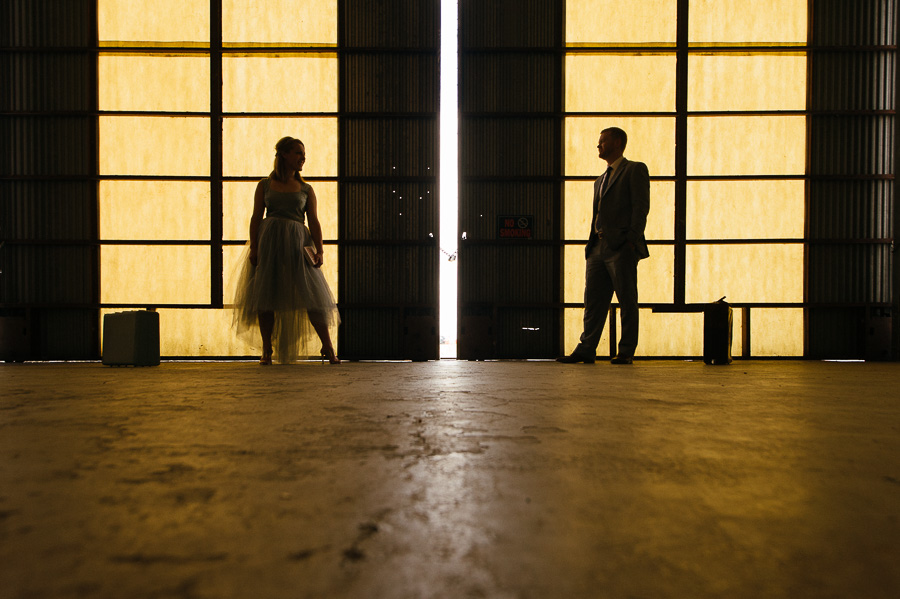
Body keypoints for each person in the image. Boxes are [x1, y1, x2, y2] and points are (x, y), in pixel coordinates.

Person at [232, 136, 341, 365]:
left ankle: (328, 346)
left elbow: (314, 221)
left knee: (312, 293)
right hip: (270, 241)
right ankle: (267, 349)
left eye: (303, 154)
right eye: (298, 153)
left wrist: (319, 250)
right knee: (266, 294)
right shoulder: (264, 185)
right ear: (284, 154)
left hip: (298, 243)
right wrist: (254, 247)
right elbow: (255, 217)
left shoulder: (306, 189)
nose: (303, 158)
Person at [558, 127, 650, 365]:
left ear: (617, 142)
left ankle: (626, 351)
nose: (598, 146)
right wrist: (590, 246)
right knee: (593, 301)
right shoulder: (600, 180)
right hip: (597, 247)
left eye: (603, 141)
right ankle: (587, 348)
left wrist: (631, 240)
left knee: (627, 299)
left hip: (621, 246)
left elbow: (641, 208)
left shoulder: (634, 169)